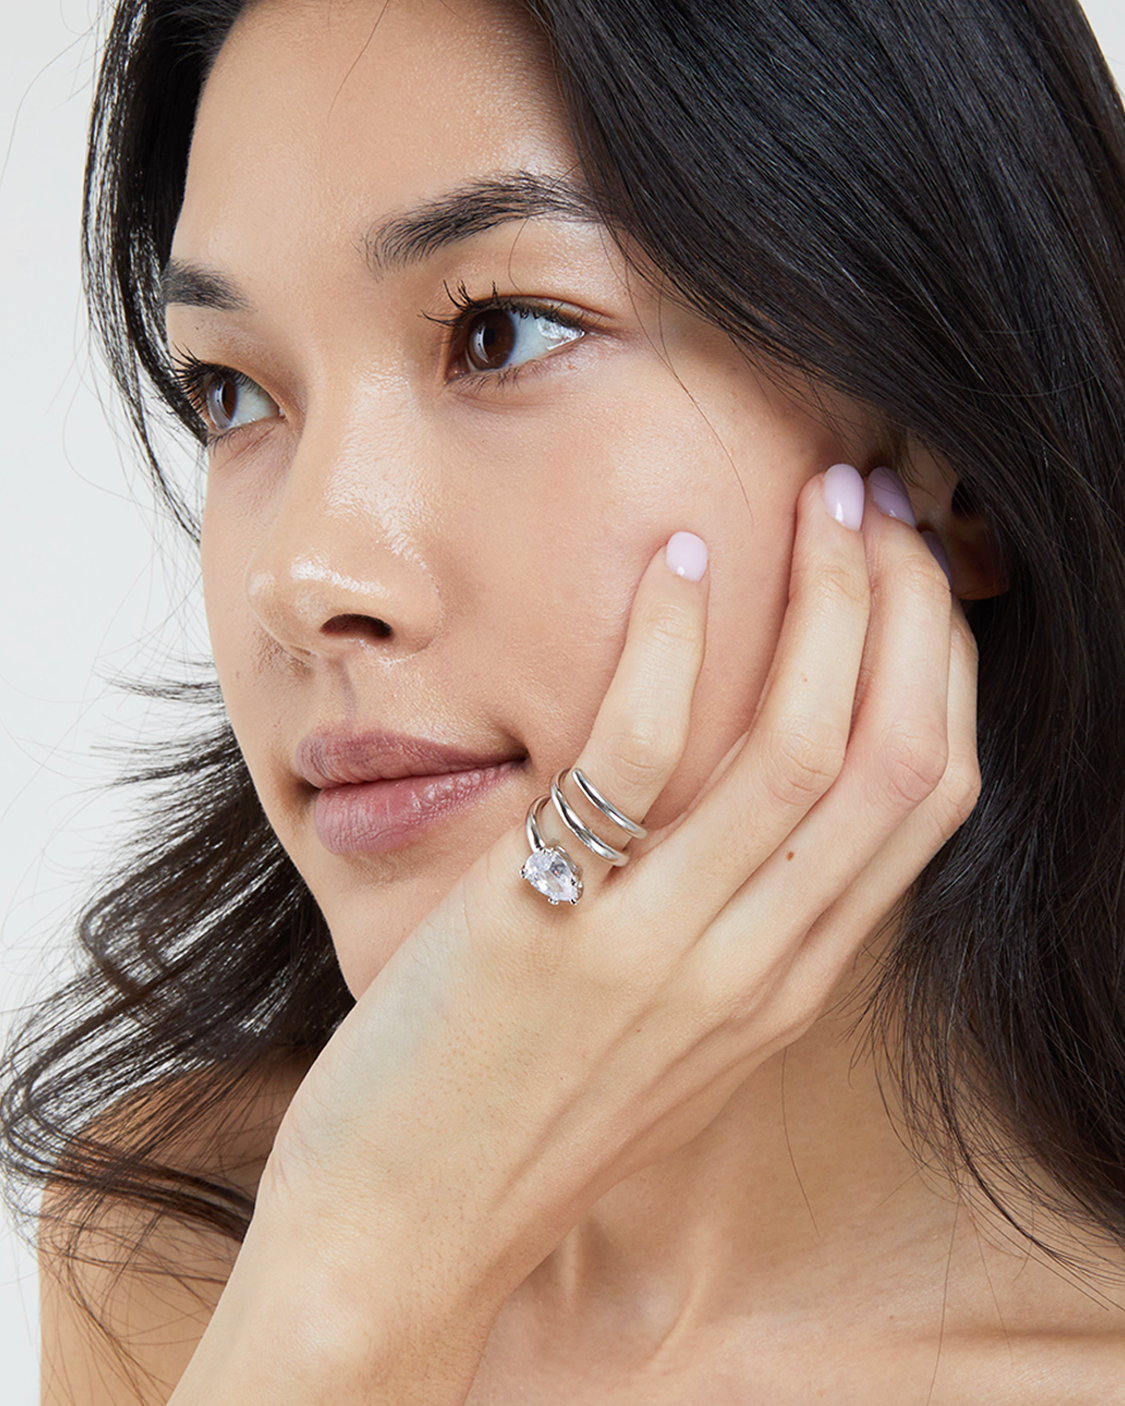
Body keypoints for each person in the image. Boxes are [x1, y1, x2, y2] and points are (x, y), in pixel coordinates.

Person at [6, 0, 1125, 1399]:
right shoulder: (175, 1259)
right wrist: (362, 1268)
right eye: (233, 391)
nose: (301, 574)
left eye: (501, 331)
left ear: (951, 449)